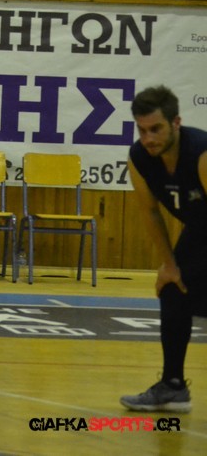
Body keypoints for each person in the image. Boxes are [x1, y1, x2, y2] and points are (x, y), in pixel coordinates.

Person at [120, 85, 207, 413]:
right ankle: (173, 386)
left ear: (176, 123)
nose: (148, 138)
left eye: (156, 129)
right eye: (142, 130)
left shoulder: (201, 154)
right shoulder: (139, 158)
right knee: (172, 287)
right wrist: (168, 264)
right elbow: (150, 213)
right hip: (200, 229)